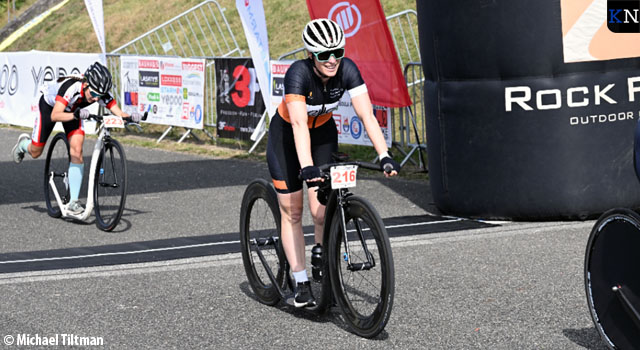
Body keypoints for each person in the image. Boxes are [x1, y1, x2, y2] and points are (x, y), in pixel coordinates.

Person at [266, 18, 401, 307]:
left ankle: (320, 256)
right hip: (288, 137)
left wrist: (385, 155)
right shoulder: (297, 74)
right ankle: (300, 281)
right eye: (324, 54)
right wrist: (307, 167)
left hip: (324, 133)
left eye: (337, 52)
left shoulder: (347, 69)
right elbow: (299, 125)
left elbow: (367, 115)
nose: (332, 60)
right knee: (293, 210)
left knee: (321, 210)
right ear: (311, 55)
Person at [11, 61, 141, 214]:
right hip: (51, 108)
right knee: (35, 152)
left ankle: (73, 202)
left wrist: (132, 117)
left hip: (74, 111)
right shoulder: (71, 87)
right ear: (85, 85)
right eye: (93, 95)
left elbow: (119, 112)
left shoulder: (99, 90)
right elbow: (55, 115)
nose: (94, 99)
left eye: (99, 97)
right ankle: (22, 145)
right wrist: (74, 114)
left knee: (77, 150)